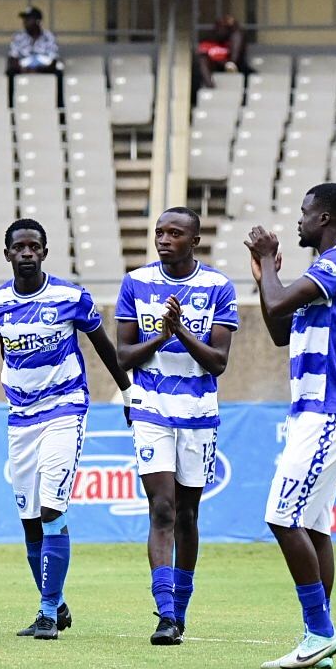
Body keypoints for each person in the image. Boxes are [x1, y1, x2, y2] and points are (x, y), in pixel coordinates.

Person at [0, 218, 134, 640]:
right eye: (19, 247)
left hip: (64, 409)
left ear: (45, 252)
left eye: (34, 247)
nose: (27, 253)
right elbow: (7, 351)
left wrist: (127, 392)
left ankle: (47, 612)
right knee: (30, 520)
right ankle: (57, 601)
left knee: (52, 509)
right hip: (20, 417)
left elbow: (103, 346)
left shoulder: (70, 297)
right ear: (7, 253)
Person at [243, 183, 336, 669]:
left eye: (304, 212)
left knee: (281, 516)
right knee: (314, 525)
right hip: (313, 411)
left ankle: (320, 631)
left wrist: (269, 261)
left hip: (328, 408)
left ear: (325, 218)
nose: (298, 220)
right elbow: (279, 329)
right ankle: (319, 638)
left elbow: (278, 304)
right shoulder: (322, 272)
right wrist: (264, 277)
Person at [115, 207, 238, 646]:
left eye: (174, 233)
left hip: (199, 412)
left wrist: (182, 332)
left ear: (195, 241)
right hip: (151, 407)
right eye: (159, 232)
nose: (164, 240)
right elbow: (123, 356)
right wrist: (161, 337)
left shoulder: (218, 287)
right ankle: (164, 613)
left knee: (187, 513)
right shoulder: (135, 283)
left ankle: (180, 611)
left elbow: (218, 362)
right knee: (163, 509)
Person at [195, 14, 251, 91]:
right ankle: (211, 87)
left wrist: (233, 23)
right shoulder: (206, 43)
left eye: (227, 27)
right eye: (221, 26)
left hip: (236, 67)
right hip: (216, 68)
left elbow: (239, 34)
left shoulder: (233, 41)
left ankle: (231, 64)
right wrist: (224, 63)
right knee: (202, 59)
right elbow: (202, 59)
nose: (223, 29)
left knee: (237, 35)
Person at [7, 6, 59, 76]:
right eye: (24, 19)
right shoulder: (18, 36)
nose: (25, 21)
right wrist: (23, 69)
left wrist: (37, 70)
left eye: (28, 19)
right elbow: (13, 57)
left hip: (44, 71)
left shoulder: (49, 36)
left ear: (38, 21)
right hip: (22, 71)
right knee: (10, 70)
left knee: (59, 69)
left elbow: (53, 59)